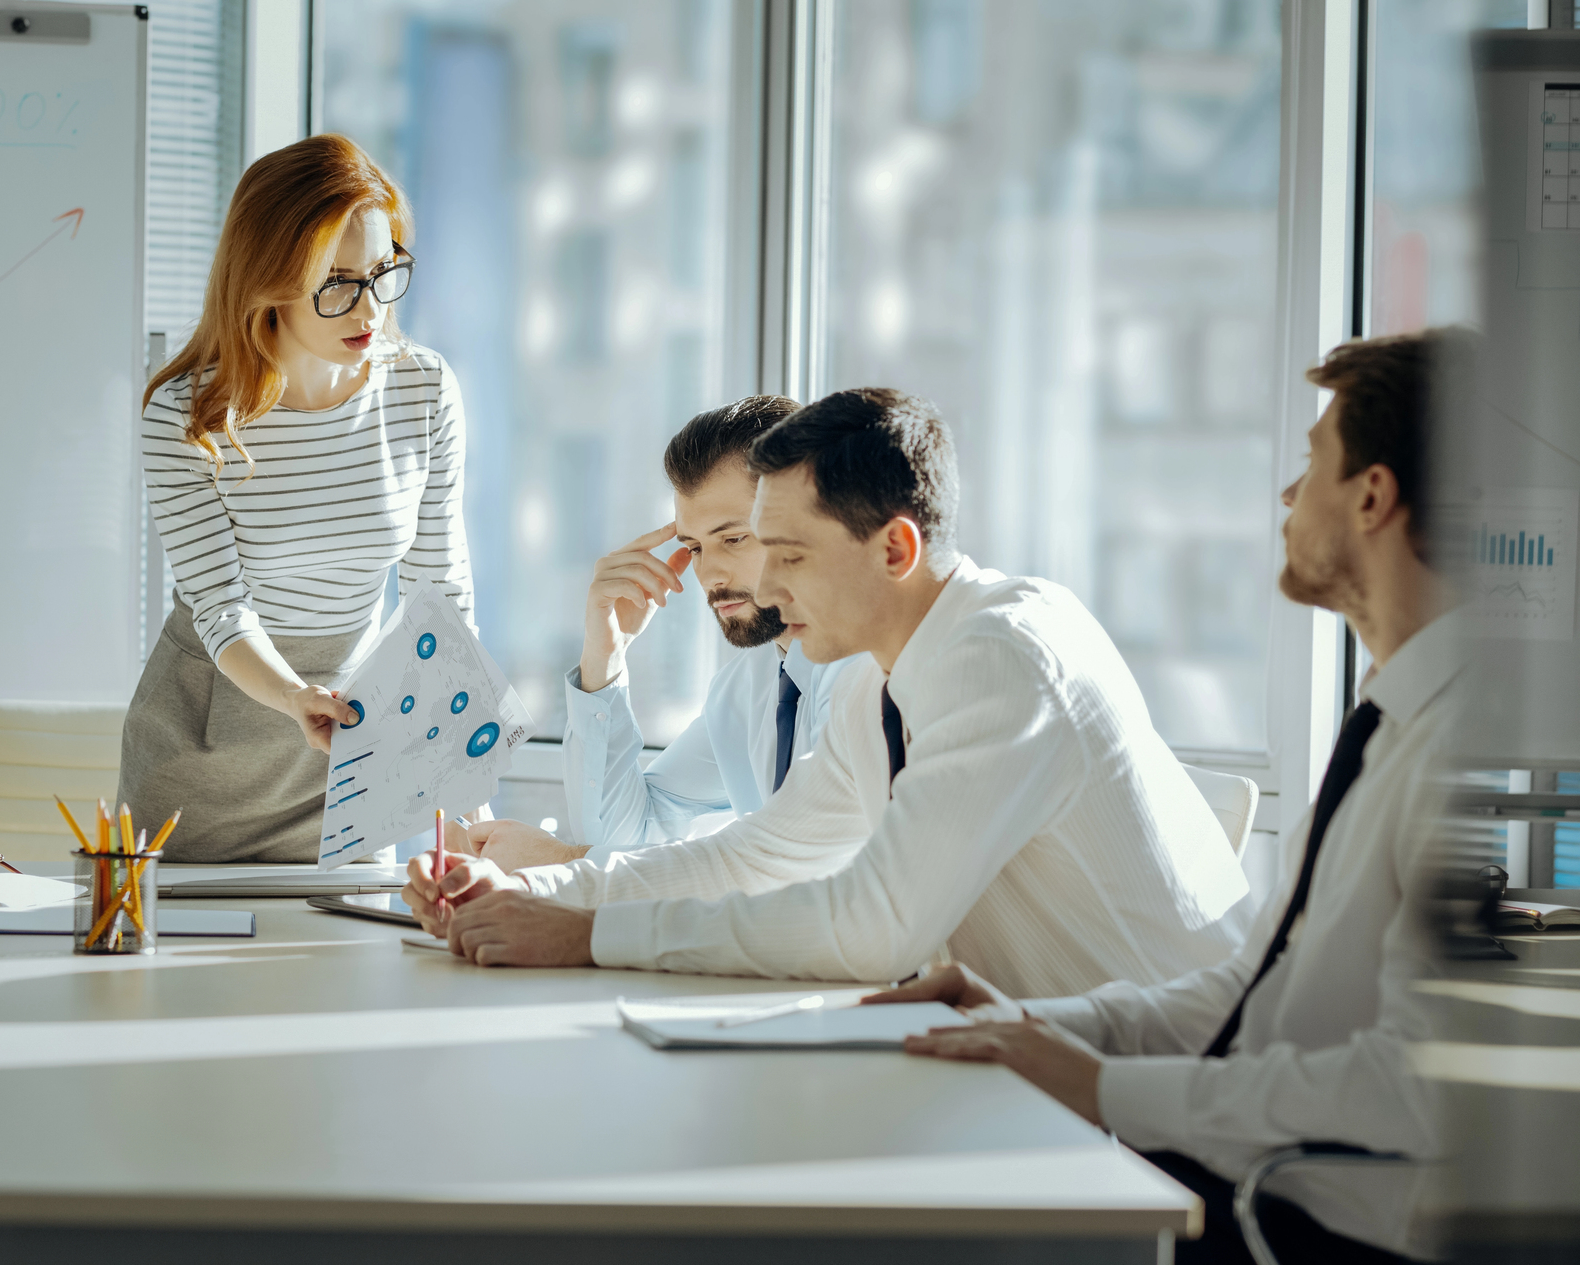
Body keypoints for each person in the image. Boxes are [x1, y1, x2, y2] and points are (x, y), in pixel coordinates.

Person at [875, 331, 1463, 1263]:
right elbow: (1250, 992)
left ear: (1372, 495)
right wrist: (1033, 1027)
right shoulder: (1393, 724)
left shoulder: (1471, 752)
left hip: (1308, 1232)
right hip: (1236, 1187)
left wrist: (1101, 1088)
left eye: (1312, 462)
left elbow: (1414, 1084)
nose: (1286, 494)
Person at [407, 389, 1249, 996]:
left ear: (894, 549)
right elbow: (749, 857)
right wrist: (529, 896)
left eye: (791, 554)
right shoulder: (881, 683)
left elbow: (872, 925)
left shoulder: (1002, 656)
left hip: (1175, 1122)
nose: (761, 586)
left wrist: (587, 935)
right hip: (1049, 1073)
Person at [117, 134, 476, 862]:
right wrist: (292, 697)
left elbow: (439, 593)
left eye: (382, 272)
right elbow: (221, 608)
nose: (368, 307)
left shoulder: (422, 389)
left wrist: (457, 772)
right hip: (205, 748)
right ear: (269, 277)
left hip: (347, 742)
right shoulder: (188, 415)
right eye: (336, 281)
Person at [462, 397, 861, 873]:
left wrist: (565, 862)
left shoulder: (864, 671)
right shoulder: (745, 690)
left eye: (733, 539)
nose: (710, 573)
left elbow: (801, 870)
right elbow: (630, 832)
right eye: (693, 547)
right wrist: (605, 658)